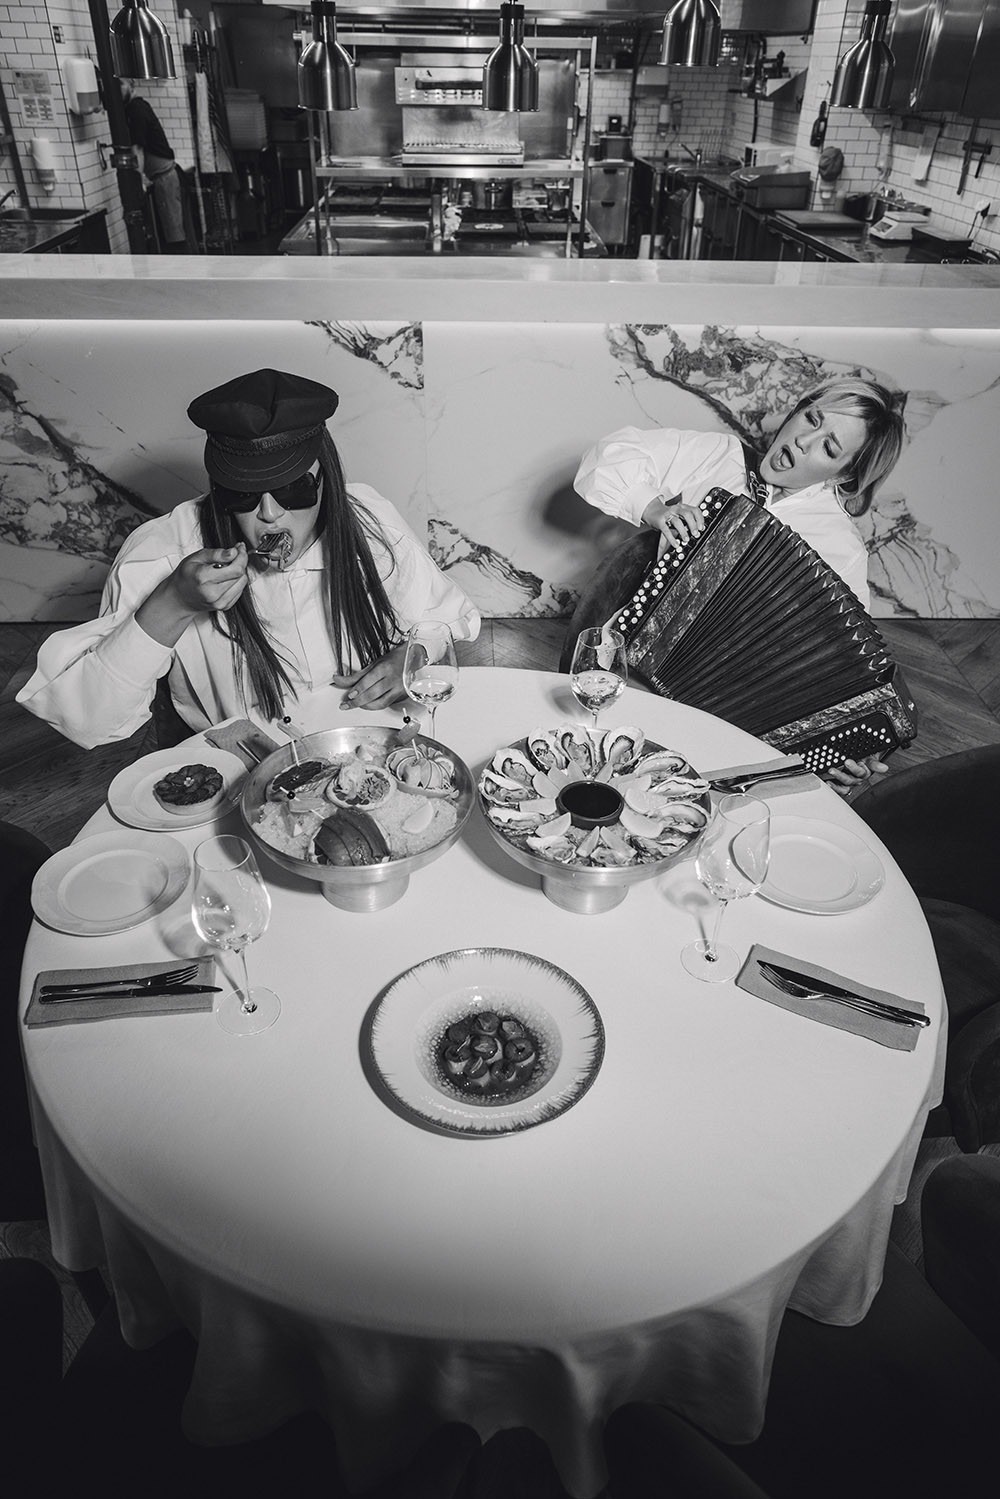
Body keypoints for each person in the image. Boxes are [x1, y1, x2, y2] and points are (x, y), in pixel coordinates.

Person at [17, 368, 481, 749]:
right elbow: (89, 723)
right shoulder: (162, 552)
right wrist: (173, 603)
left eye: (293, 488)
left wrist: (412, 655)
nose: (270, 513)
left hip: (370, 742)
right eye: (243, 494)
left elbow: (447, 616)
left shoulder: (367, 520)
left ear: (326, 478)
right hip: (248, 768)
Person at [573, 376, 906, 795]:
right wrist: (654, 509)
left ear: (845, 475)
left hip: (738, 717)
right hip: (637, 668)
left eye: (829, 447)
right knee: (601, 779)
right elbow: (607, 456)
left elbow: (841, 674)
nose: (804, 440)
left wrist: (845, 753)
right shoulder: (721, 457)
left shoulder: (842, 548)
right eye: (811, 419)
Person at [120, 80, 189, 252]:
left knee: (174, 236)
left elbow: (138, 149)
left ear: (131, 85)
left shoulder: (136, 110)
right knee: (174, 232)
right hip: (163, 176)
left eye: (121, 84)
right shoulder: (137, 106)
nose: (118, 89)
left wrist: (139, 179)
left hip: (165, 178)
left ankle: (183, 267)